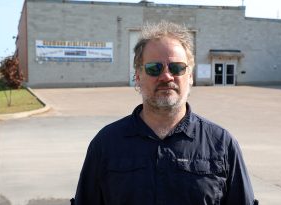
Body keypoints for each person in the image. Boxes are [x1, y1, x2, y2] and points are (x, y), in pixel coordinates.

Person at [73, 21, 257, 205]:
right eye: (154, 68)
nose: (167, 76)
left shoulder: (222, 144)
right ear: (137, 76)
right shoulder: (106, 144)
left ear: (190, 76)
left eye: (177, 68)